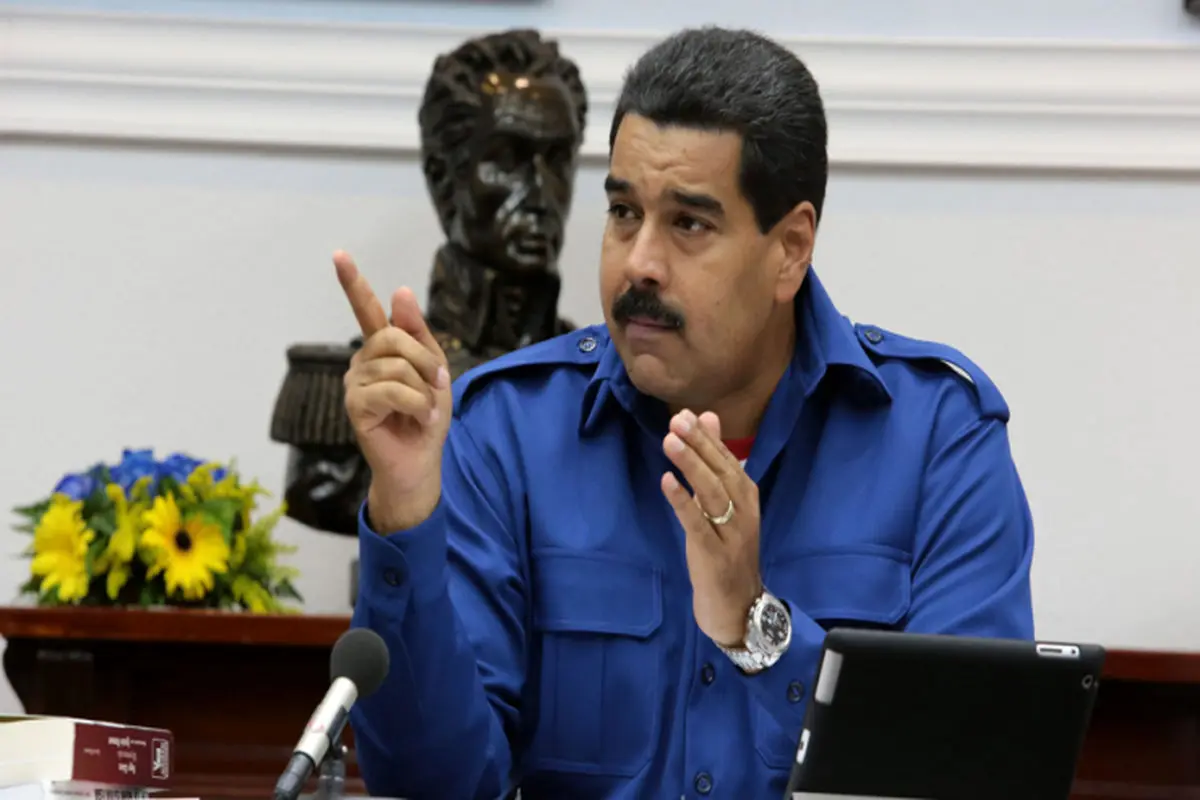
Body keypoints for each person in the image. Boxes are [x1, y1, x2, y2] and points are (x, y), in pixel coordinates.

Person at [340, 25, 1035, 800]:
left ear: (790, 249)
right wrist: (404, 507)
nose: (639, 262)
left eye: (689, 223)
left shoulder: (939, 438)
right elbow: (435, 784)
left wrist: (757, 625)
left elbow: (967, 774)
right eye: (623, 212)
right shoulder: (506, 431)